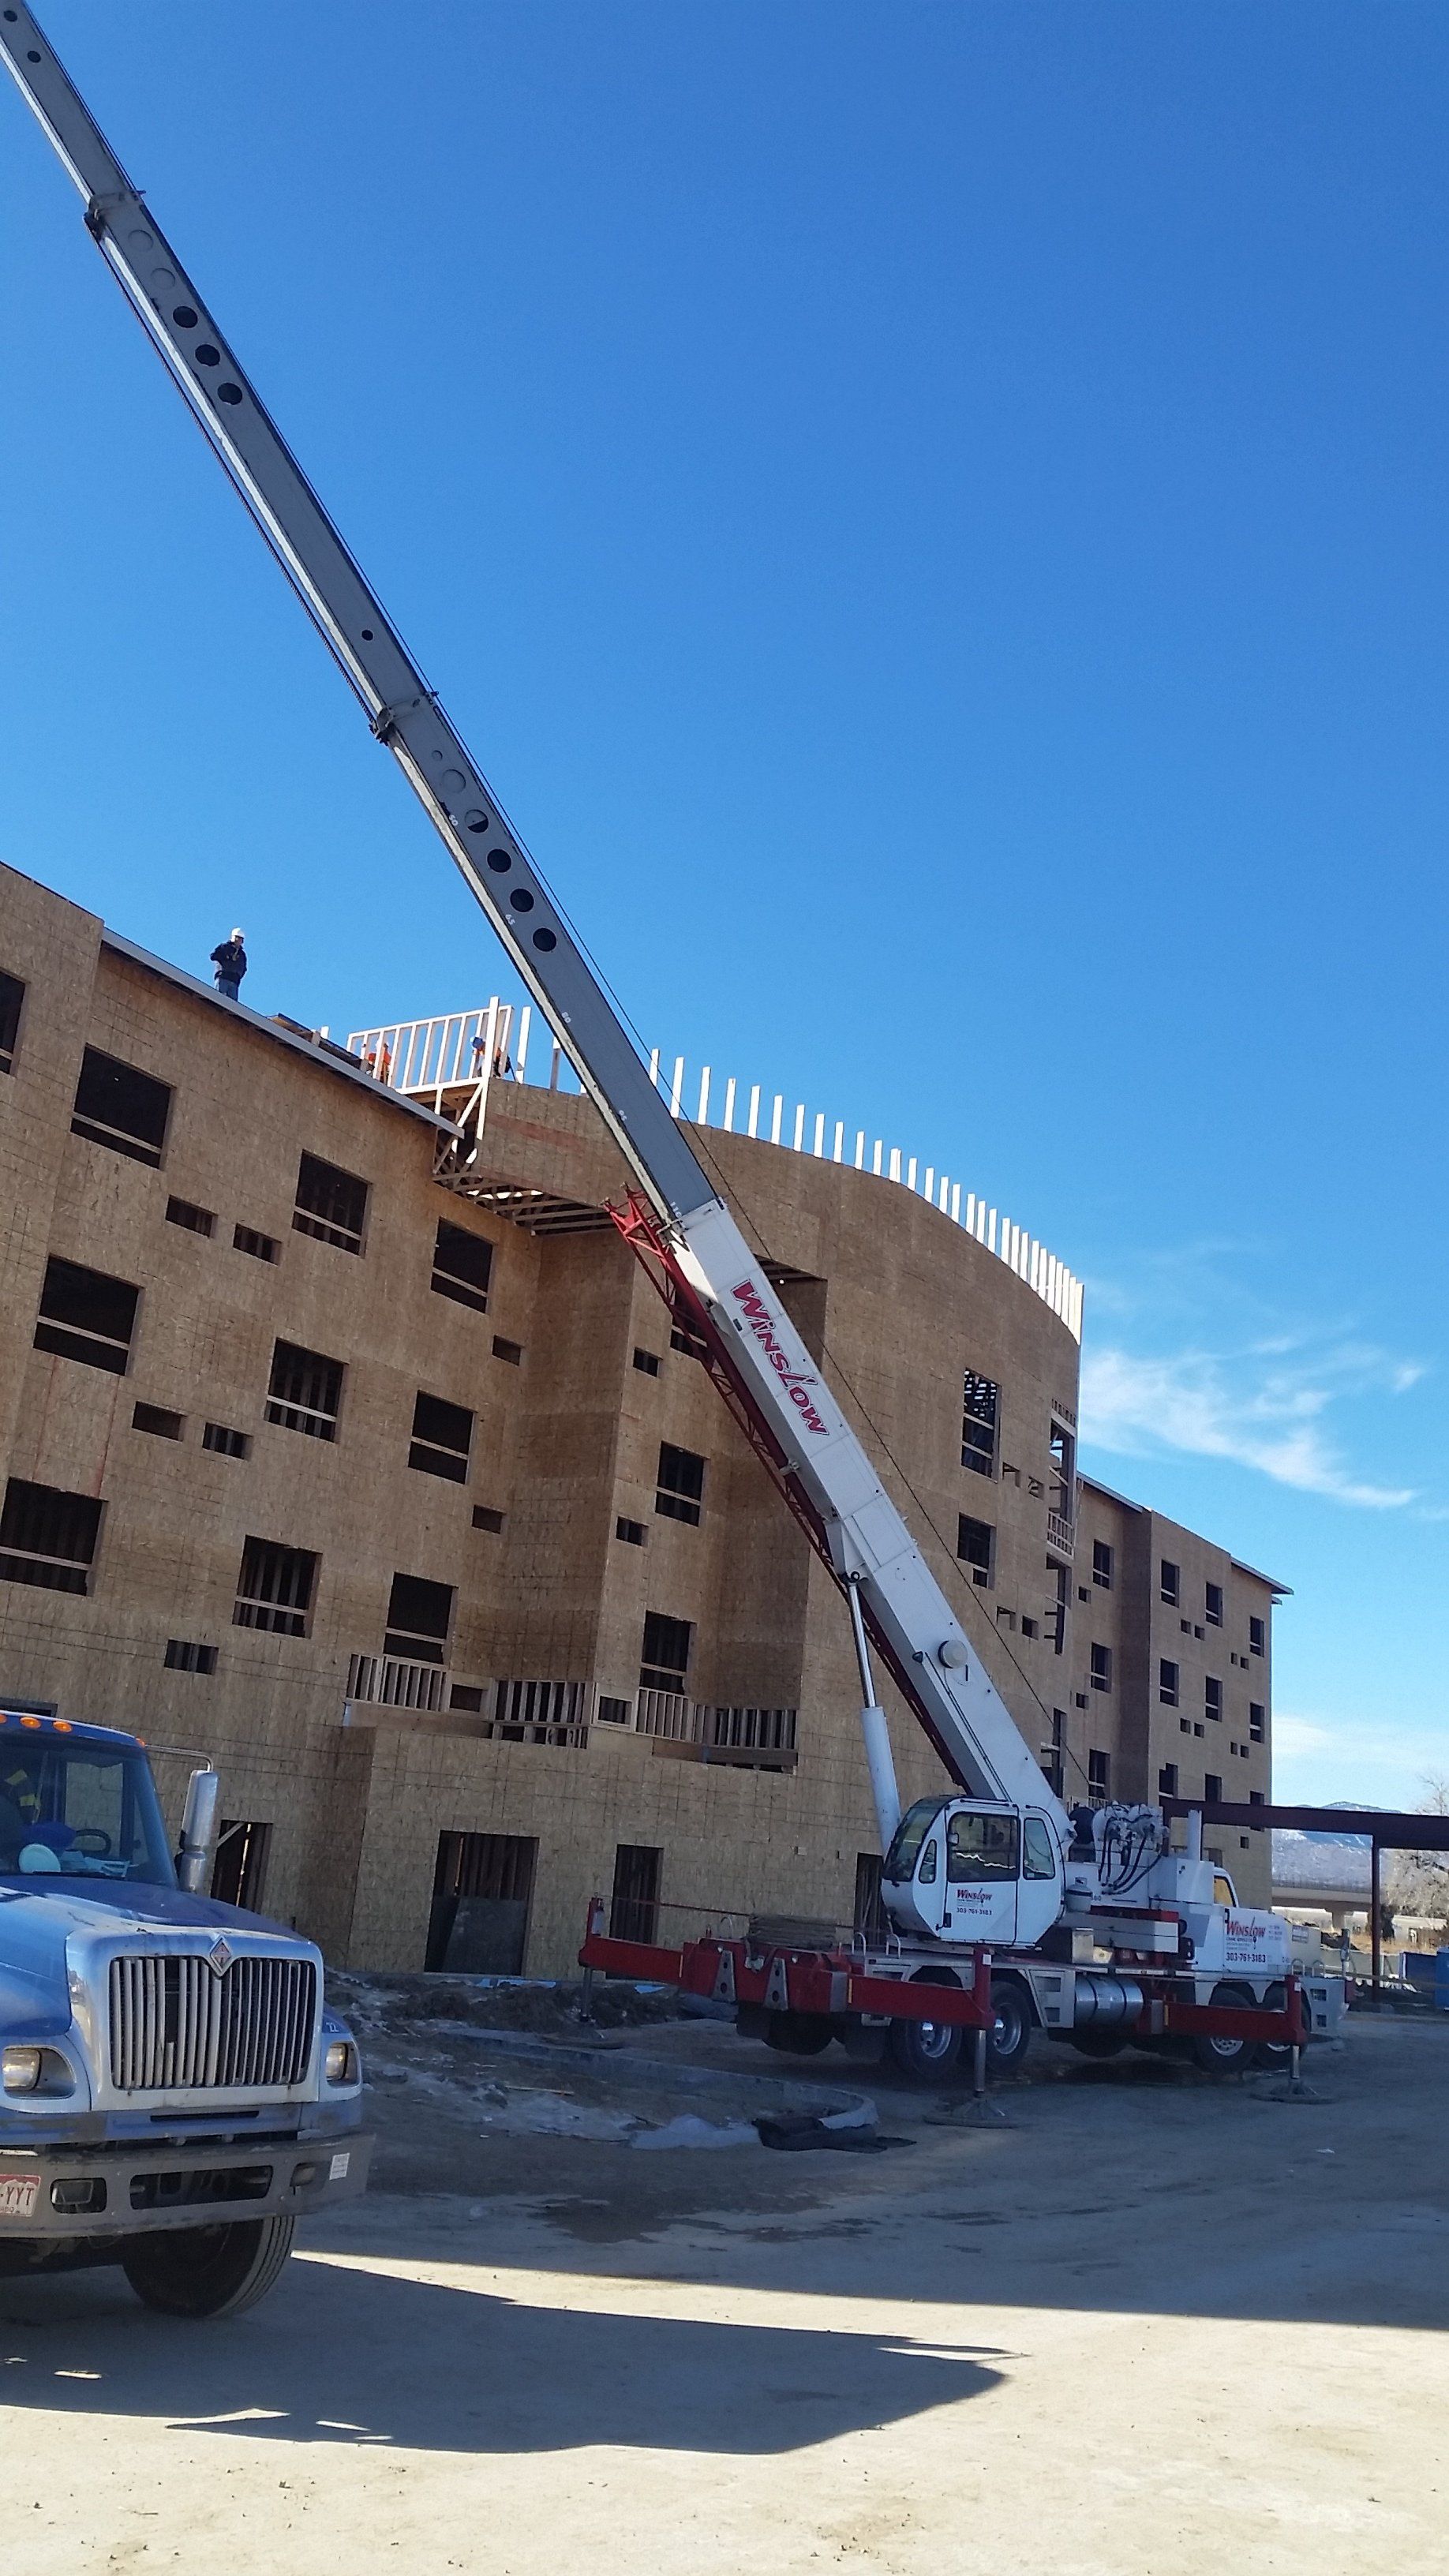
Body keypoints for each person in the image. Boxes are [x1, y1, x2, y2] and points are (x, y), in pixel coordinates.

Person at [211, 928, 247, 1000]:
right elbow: (213, 956)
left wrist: (238, 976)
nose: (239, 941)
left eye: (241, 939)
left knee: (232, 1005)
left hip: (234, 981)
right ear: (233, 938)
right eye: (237, 938)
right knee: (218, 999)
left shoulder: (242, 954)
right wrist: (225, 958)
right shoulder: (224, 947)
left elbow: (244, 968)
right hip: (223, 977)